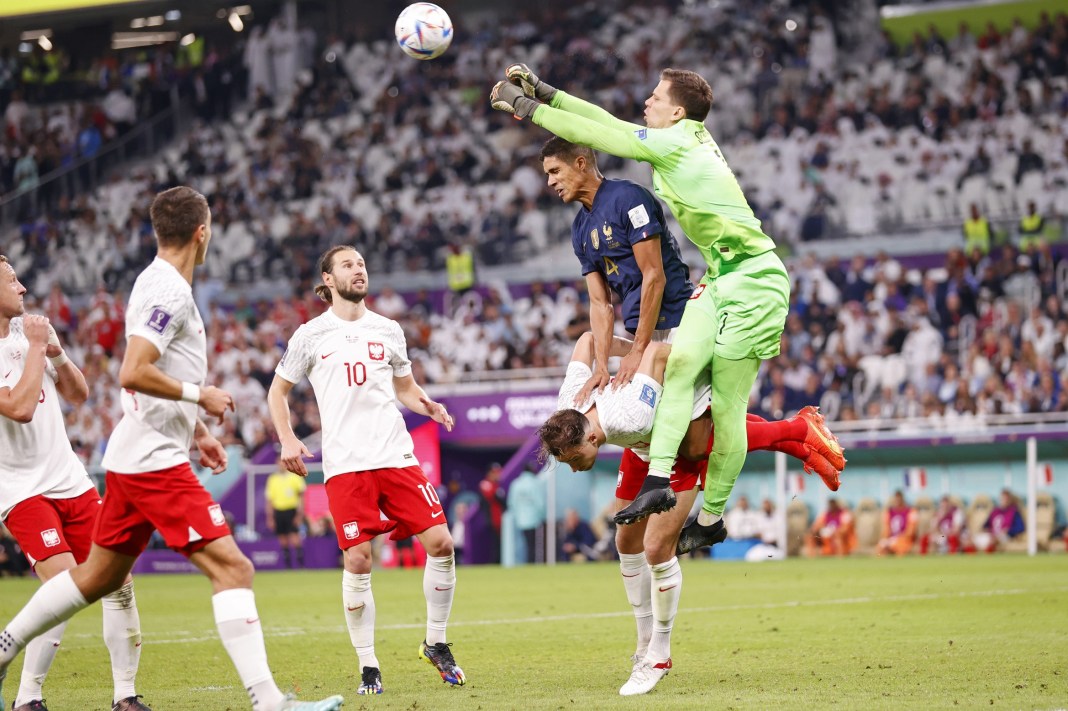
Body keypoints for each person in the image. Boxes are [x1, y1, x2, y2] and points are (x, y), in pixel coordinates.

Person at [0, 188, 344, 711]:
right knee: (234, 570)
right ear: (202, 232)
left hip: (134, 454)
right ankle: (271, 702)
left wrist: (197, 431)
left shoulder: (156, 281)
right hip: (151, 464)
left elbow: (134, 383)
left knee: (96, 577)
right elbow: (132, 372)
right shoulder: (170, 292)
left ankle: (9, 649)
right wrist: (199, 397)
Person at [491, 67, 832, 553]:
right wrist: (549, 93)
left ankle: (720, 507)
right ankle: (669, 479)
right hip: (721, 277)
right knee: (690, 410)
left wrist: (527, 109)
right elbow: (605, 121)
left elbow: (596, 132)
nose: (646, 102)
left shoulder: (672, 145)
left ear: (677, 111)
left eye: (655, 97)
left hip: (747, 279)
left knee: (714, 426)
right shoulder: (680, 139)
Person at [539, 330, 841, 696]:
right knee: (626, 539)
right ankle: (644, 641)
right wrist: (605, 362)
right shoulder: (569, 404)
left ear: (588, 439)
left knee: (657, 545)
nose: (573, 468)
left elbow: (659, 351)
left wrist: (644, 356)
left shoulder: (632, 415)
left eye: (573, 461)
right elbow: (588, 338)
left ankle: (659, 654)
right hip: (640, 449)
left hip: (673, 443)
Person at [267, 245, 464, 698]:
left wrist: (426, 404)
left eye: (361, 264)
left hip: (396, 456)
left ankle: (435, 642)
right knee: (359, 559)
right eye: (348, 265)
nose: (359, 270)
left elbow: (405, 387)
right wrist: (287, 438)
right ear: (328, 280)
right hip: (346, 466)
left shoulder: (389, 330)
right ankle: (368, 665)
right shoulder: (310, 335)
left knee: (442, 544)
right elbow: (278, 393)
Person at [0, 256, 149, 711]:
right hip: (19, 487)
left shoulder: (32, 336)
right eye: (12, 281)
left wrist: (56, 353)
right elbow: (19, 407)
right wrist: (37, 348)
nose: (23, 288)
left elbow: (78, 393)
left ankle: (125, 696)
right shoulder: (28, 341)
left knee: (118, 579)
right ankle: (29, 697)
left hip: (69, 478)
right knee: (64, 583)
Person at [264, 461, 306, 568]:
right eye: (279, 463)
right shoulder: (272, 479)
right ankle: (288, 564)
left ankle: (300, 563)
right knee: (282, 538)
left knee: (294, 536)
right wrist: (270, 518)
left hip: (291, 510)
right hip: (279, 511)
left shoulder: (295, 477)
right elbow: (269, 500)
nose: (281, 465)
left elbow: (301, 497)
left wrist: (299, 514)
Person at [506, 467, 546, 564]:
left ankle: (526, 563)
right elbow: (540, 503)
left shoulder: (516, 483)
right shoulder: (535, 483)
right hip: (534, 520)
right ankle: (531, 564)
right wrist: (542, 516)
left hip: (520, 520)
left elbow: (512, 503)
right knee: (533, 545)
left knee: (525, 544)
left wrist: (517, 515)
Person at [876, 491, 917, 556]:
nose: (897, 502)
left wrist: (899, 538)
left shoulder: (910, 511)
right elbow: (886, 529)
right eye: (896, 499)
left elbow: (910, 531)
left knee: (899, 547)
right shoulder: (889, 512)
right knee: (881, 546)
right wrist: (887, 539)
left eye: (899, 500)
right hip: (892, 539)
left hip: (904, 540)